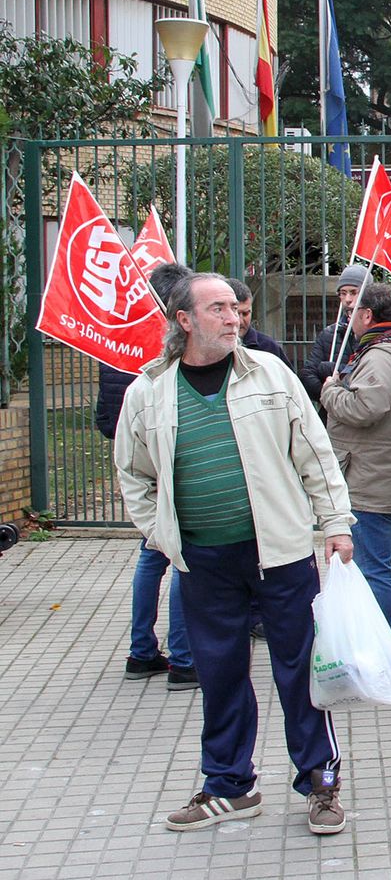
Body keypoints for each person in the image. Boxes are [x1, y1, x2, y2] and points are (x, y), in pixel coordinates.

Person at [114, 273, 354, 835]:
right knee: (219, 671)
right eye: (218, 308)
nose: (233, 317)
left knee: (299, 668)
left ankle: (319, 781)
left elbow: (315, 454)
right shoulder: (149, 391)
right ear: (185, 321)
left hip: (282, 552)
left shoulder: (269, 374)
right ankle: (229, 784)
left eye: (235, 307)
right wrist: (160, 534)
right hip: (203, 560)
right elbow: (133, 473)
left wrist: (336, 523)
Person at [319, 281, 391, 664]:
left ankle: (381, 647)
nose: (349, 318)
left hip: (373, 476)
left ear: (368, 315)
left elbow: (367, 407)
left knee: (375, 567)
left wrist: (331, 391)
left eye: (353, 313)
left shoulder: (380, 354)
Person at [97, 261, 196, 691]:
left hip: (140, 464)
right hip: (169, 463)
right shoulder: (171, 347)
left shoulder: (121, 338)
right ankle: (184, 658)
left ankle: (141, 651)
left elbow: (105, 416)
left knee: (152, 554)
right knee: (179, 560)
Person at [298, 264, 367, 402]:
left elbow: (366, 380)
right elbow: (306, 376)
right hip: (329, 418)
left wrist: (332, 370)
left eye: (354, 292)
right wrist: (330, 395)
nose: (347, 299)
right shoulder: (330, 334)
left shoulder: (378, 337)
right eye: (343, 293)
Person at [223, 278, 291, 367]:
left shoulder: (268, 347)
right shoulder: (206, 347)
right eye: (235, 312)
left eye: (245, 313)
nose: (239, 320)